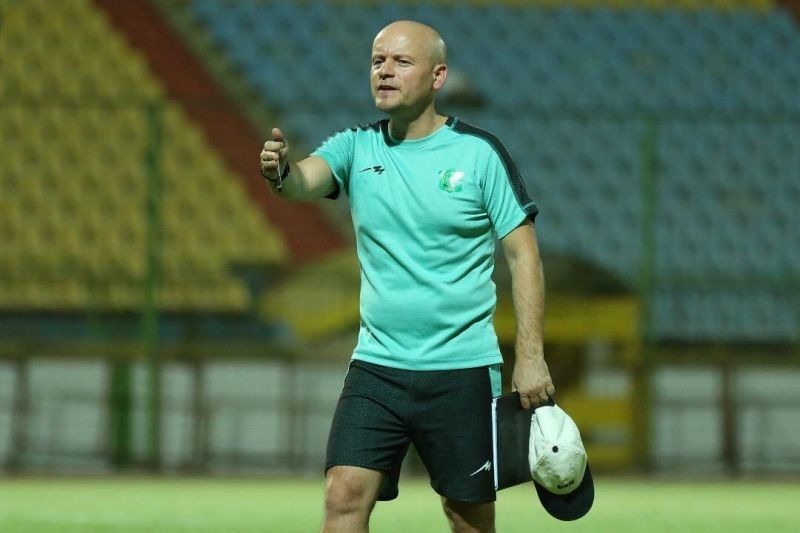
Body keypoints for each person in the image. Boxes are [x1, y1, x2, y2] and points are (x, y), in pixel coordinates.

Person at [260, 20, 555, 533]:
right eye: (377, 61)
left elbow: (523, 256)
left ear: (438, 76)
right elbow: (302, 180)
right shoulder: (356, 147)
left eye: (401, 61)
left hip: (463, 371)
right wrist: (281, 171)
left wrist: (530, 357)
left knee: (466, 516)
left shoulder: (480, 153)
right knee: (343, 494)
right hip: (377, 368)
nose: (385, 71)